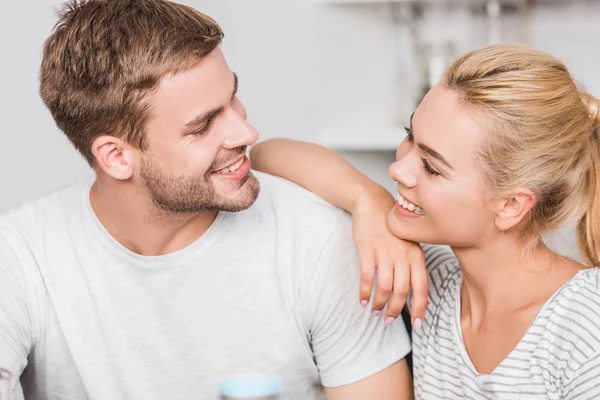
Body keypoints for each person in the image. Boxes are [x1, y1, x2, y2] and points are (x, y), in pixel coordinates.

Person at [0, 1, 420, 398]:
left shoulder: (322, 242)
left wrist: (366, 196)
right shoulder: (22, 256)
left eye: (232, 98)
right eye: (202, 126)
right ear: (116, 157)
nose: (245, 133)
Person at [251, 44, 600, 399]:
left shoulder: (586, 329)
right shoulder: (433, 280)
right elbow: (266, 155)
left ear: (510, 205)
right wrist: (367, 201)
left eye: (432, 167)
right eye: (410, 136)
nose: (398, 169)